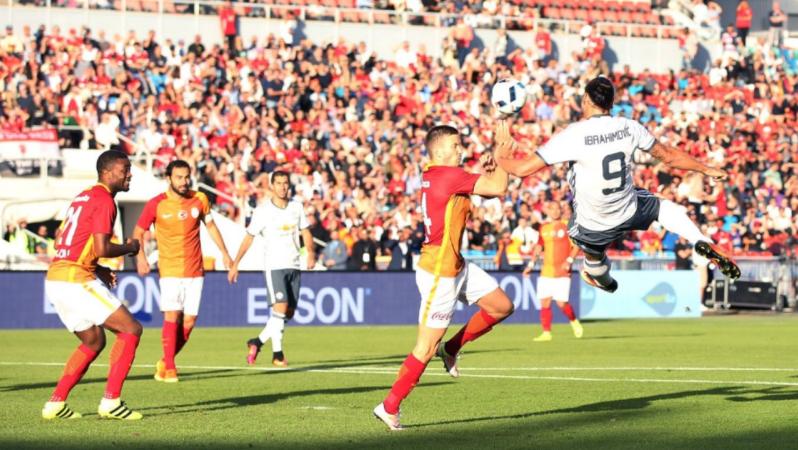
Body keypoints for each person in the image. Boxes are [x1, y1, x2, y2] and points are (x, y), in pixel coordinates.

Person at [495, 77, 741, 296]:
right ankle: (700, 239)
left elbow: (522, 169)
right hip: (628, 208)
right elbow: (668, 156)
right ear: (611, 103)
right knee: (662, 207)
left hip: (592, 222)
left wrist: (500, 155)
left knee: (593, 258)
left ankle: (604, 280)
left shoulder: (573, 134)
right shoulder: (628, 127)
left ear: (586, 100)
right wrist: (705, 169)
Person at [373, 122, 514, 431]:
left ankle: (450, 349)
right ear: (439, 151)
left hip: (455, 263)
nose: (461, 149)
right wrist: (503, 154)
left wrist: (488, 171)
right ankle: (389, 406)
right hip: (440, 271)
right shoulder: (449, 176)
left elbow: (480, 192)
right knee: (424, 348)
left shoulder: (434, 174)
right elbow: (498, 188)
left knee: (501, 307)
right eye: (455, 145)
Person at [41, 150, 143, 420]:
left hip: (56, 278)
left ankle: (55, 404)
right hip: (75, 279)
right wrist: (130, 247)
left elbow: (66, 241)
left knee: (94, 340)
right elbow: (102, 248)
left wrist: (98, 268)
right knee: (131, 329)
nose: (129, 174)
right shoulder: (104, 200)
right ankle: (111, 402)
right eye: (124, 169)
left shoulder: (83, 196)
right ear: (107, 172)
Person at [133, 160, 233, 383]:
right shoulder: (156, 204)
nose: (184, 181)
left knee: (189, 322)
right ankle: (170, 368)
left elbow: (211, 226)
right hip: (169, 269)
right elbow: (138, 232)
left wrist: (225, 253)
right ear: (169, 178)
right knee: (172, 315)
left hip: (195, 270)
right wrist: (140, 258)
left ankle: (164, 361)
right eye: (179, 177)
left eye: (187, 177)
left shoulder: (200, 199)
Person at [228, 171, 316, 368]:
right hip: (274, 265)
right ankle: (276, 353)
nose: (282, 187)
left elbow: (305, 231)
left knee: (287, 313)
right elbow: (249, 237)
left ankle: (259, 343)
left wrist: (310, 253)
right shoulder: (263, 211)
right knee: (281, 308)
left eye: (285, 183)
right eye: (278, 183)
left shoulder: (296, 207)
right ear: (272, 186)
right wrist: (235, 263)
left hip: (294, 264)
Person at [523, 201, 582, 342]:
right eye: (552, 209)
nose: (555, 211)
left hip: (562, 271)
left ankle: (574, 321)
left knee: (561, 303)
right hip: (547, 271)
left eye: (557, 208)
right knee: (545, 302)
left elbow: (577, 245)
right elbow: (539, 247)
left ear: (561, 210)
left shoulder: (568, 226)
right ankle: (546, 333)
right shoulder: (544, 228)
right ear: (548, 211)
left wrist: (569, 261)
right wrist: (530, 265)